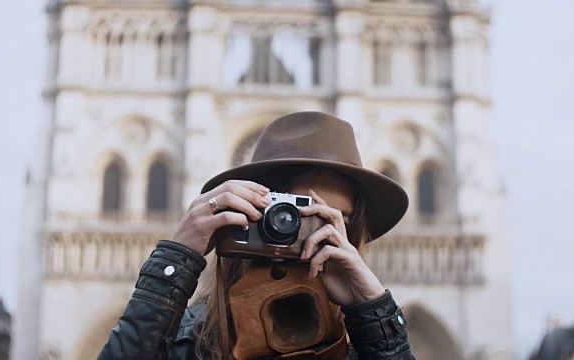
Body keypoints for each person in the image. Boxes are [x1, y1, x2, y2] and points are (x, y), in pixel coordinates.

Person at [98, 111, 416, 359]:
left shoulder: (366, 343)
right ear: (257, 214)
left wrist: (374, 309)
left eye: (338, 220)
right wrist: (177, 255)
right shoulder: (191, 338)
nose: (324, 234)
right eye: (300, 214)